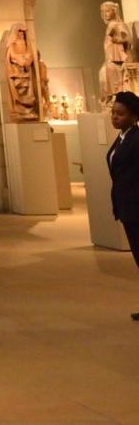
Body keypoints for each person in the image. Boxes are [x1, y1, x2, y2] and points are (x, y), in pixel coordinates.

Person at [107, 90, 139, 319]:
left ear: (134, 116)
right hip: (128, 206)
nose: (115, 117)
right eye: (113, 113)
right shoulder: (122, 138)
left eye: (120, 113)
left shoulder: (136, 139)